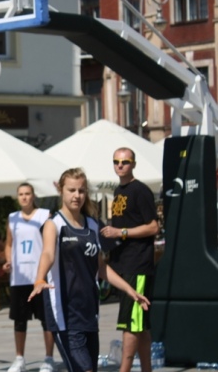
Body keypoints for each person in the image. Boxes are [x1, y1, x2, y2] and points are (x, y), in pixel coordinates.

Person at [29, 168, 150, 372]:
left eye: (81, 190)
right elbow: (48, 254)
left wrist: (130, 290)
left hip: (89, 314)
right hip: (65, 315)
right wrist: (40, 278)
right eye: (71, 190)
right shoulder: (54, 224)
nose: (77, 195)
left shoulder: (92, 225)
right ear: (61, 190)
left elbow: (101, 267)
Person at [100, 147, 159, 372]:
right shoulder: (118, 191)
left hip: (138, 264)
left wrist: (121, 232)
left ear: (133, 164)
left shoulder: (140, 191)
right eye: (116, 161)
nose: (120, 165)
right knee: (139, 324)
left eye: (125, 162)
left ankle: (124, 369)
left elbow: (153, 227)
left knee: (130, 323)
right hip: (122, 263)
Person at [3, 183, 54, 372]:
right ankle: (19, 359)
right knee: (19, 320)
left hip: (40, 277)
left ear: (33, 196)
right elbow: (9, 244)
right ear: (17, 197)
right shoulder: (12, 218)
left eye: (27, 193)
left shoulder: (44, 215)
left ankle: (49, 358)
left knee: (46, 320)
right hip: (19, 277)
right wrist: (9, 260)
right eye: (21, 194)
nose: (24, 197)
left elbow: (51, 243)